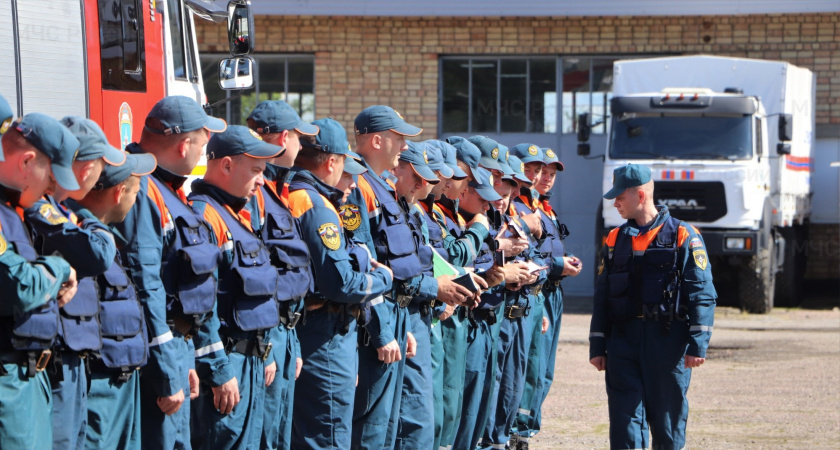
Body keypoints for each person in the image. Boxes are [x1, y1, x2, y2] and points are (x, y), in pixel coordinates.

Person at [115, 95, 230, 450]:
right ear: (183, 145)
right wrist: (166, 372)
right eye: (201, 143)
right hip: (152, 357)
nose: (202, 153)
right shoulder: (144, 188)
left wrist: (187, 359)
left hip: (173, 350)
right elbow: (144, 285)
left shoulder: (164, 188)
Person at [589, 164, 716, 449]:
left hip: (667, 340)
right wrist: (598, 345)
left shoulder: (684, 235)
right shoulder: (613, 239)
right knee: (624, 422)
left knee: (667, 423)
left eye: (620, 196)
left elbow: (702, 292)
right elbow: (602, 296)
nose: (615, 202)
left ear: (641, 195)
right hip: (623, 341)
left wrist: (698, 344)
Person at [287, 118, 393, 449]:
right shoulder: (317, 206)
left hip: (312, 330)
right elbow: (341, 284)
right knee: (328, 436)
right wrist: (382, 279)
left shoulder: (293, 194)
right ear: (332, 162)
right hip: (324, 334)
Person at [23, 116, 126, 450]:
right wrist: (93, 224)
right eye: (99, 167)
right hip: (50, 361)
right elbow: (97, 252)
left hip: (70, 357)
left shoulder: (61, 208)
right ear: (86, 169)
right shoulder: (41, 207)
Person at [188, 125, 285, 449]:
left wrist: (264, 350)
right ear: (227, 165)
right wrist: (218, 371)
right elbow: (201, 306)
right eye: (256, 170)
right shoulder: (205, 215)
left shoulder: (232, 214)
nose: (262, 180)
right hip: (228, 366)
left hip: (249, 362)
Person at [0, 112, 80, 448]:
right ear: (28, 160)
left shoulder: (15, 209)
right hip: (9, 381)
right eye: (51, 175)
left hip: (32, 377)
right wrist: (61, 269)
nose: (53, 187)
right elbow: (17, 286)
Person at [70, 151, 157, 450]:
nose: (136, 202)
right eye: (135, 193)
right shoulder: (79, 240)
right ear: (119, 193)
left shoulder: (101, 237)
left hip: (119, 384)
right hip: (98, 389)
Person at [247, 100, 319, 450]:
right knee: (265, 435)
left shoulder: (278, 187)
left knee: (279, 436)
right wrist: (270, 344)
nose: (302, 147)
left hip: (286, 331)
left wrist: (291, 343)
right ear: (284, 138)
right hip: (268, 332)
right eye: (298, 138)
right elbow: (257, 276)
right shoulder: (255, 193)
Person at [513, 147, 582, 449]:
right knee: (529, 368)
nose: (543, 177)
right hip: (531, 293)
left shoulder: (544, 209)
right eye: (535, 170)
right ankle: (518, 432)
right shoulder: (517, 207)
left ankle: (524, 429)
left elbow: (548, 250)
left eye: (548, 173)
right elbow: (527, 254)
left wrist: (565, 261)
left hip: (550, 292)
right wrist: (557, 265)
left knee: (544, 371)